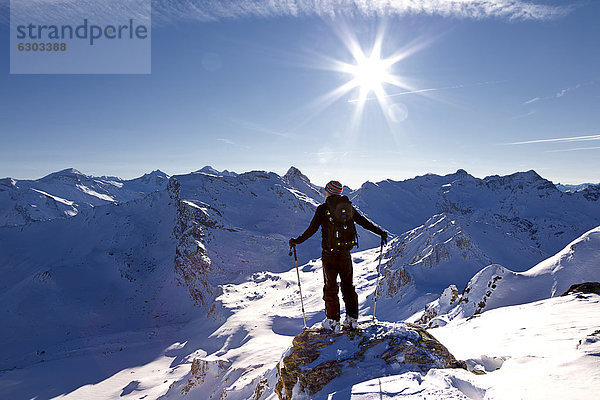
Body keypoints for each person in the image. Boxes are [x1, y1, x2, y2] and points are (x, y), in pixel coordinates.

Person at [289, 180, 388, 332]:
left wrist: (297, 241)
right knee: (348, 285)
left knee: (330, 287)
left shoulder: (323, 209)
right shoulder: (347, 208)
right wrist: (380, 232)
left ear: (328, 191)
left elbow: (311, 229)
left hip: (329, 255)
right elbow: (364, 222)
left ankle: (333, 321)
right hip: (345, 254)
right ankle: (352, 319)